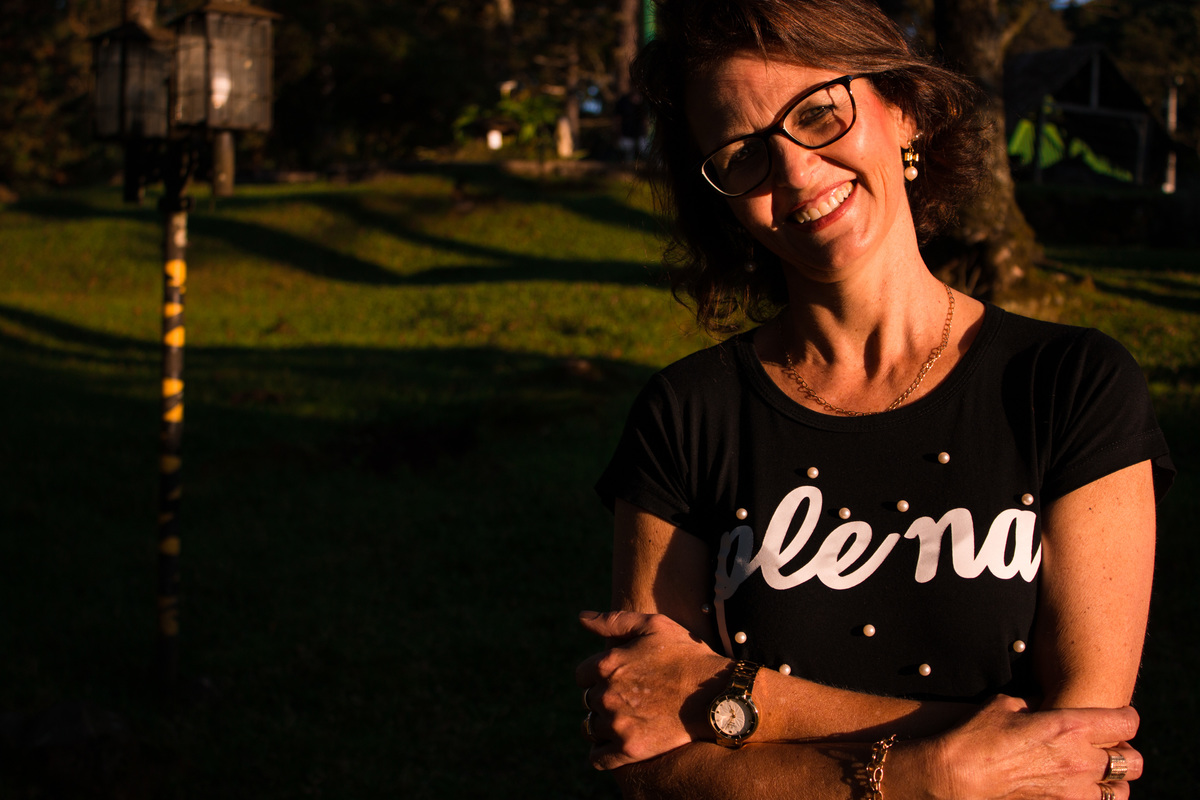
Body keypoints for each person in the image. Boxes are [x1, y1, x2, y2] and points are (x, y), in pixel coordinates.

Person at [573, 1, 1175, 799]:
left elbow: (1078, 752)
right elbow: (652, 770)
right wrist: (936, 774)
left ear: (904, 110)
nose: (794, 172)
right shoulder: (686, 415)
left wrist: (738, 700)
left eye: (819, 114)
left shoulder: (1071, 385)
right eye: (743, 154)